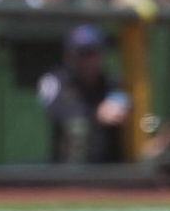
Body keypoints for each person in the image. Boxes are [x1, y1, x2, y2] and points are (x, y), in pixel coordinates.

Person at [37, 24, 131, 163]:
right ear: (68, 56)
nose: (87, 61)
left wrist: (122, 105)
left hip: (107, 174)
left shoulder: (111, 83)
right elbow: (60, 112)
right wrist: (96, 114)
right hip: (66, 172)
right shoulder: (54, 81)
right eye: (81, 53)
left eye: (92, 53)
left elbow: (123, 100)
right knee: (77, 128)